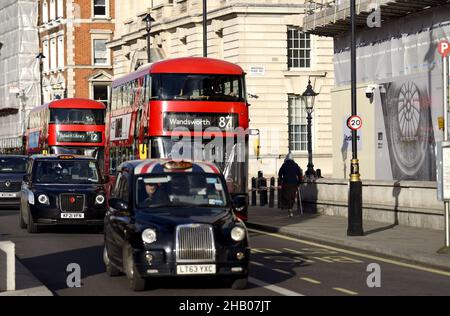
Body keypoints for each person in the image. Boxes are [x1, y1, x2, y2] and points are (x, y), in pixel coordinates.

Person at [278, 153, 303, 217]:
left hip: (286, 183)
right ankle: (290, 208)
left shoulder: (284, 165)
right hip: (293, 183)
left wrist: (282, 179)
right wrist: (299, 182)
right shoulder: (295, 165)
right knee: (292, 196)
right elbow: (299, 174)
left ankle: (288, 208)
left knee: (286, 195)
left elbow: (279, 173)